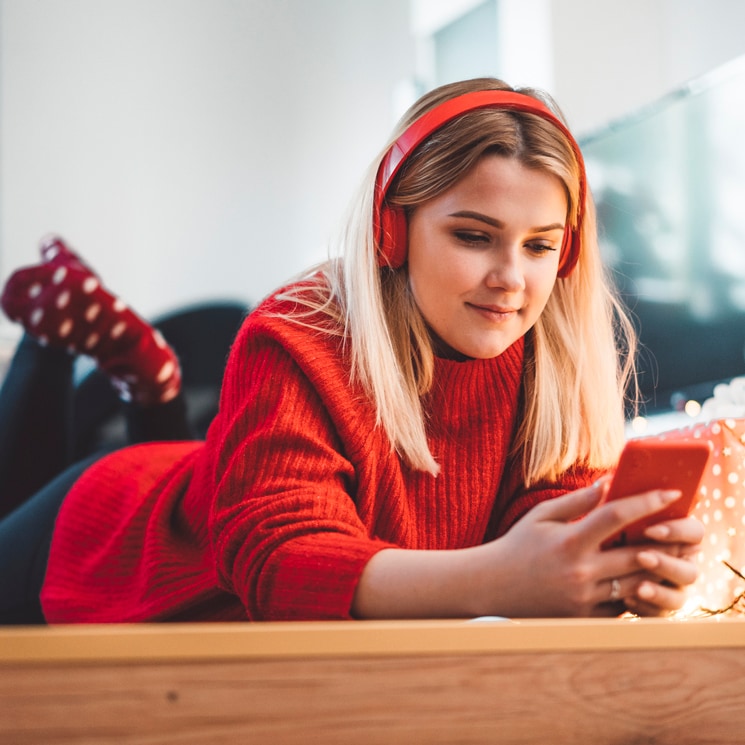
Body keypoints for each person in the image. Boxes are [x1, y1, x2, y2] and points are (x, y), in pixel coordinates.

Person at [0, 78, 704, 625]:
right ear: (391, 231)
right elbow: (278, 564)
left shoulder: (549, 361)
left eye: (539, 245)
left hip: (206, 481)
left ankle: (153, 390)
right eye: (471, 235)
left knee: (202, 465)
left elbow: (535, 548)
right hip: (107, 538)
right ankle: (81, 360)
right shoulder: (296, 331)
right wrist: (500, 577)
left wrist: (609, 572)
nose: (510, 279)